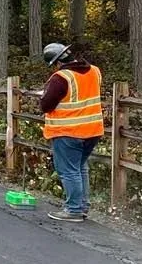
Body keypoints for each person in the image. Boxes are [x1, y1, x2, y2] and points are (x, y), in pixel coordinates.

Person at [40, 42, 105, 223]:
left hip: (68, 131)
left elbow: (46, 105)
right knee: (80, 167)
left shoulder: (61, 78)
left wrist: (44, 94)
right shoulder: (95, 71)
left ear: (58, 62)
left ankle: (74, 209)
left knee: (68, 170)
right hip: (92, 130)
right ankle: (82, 206)